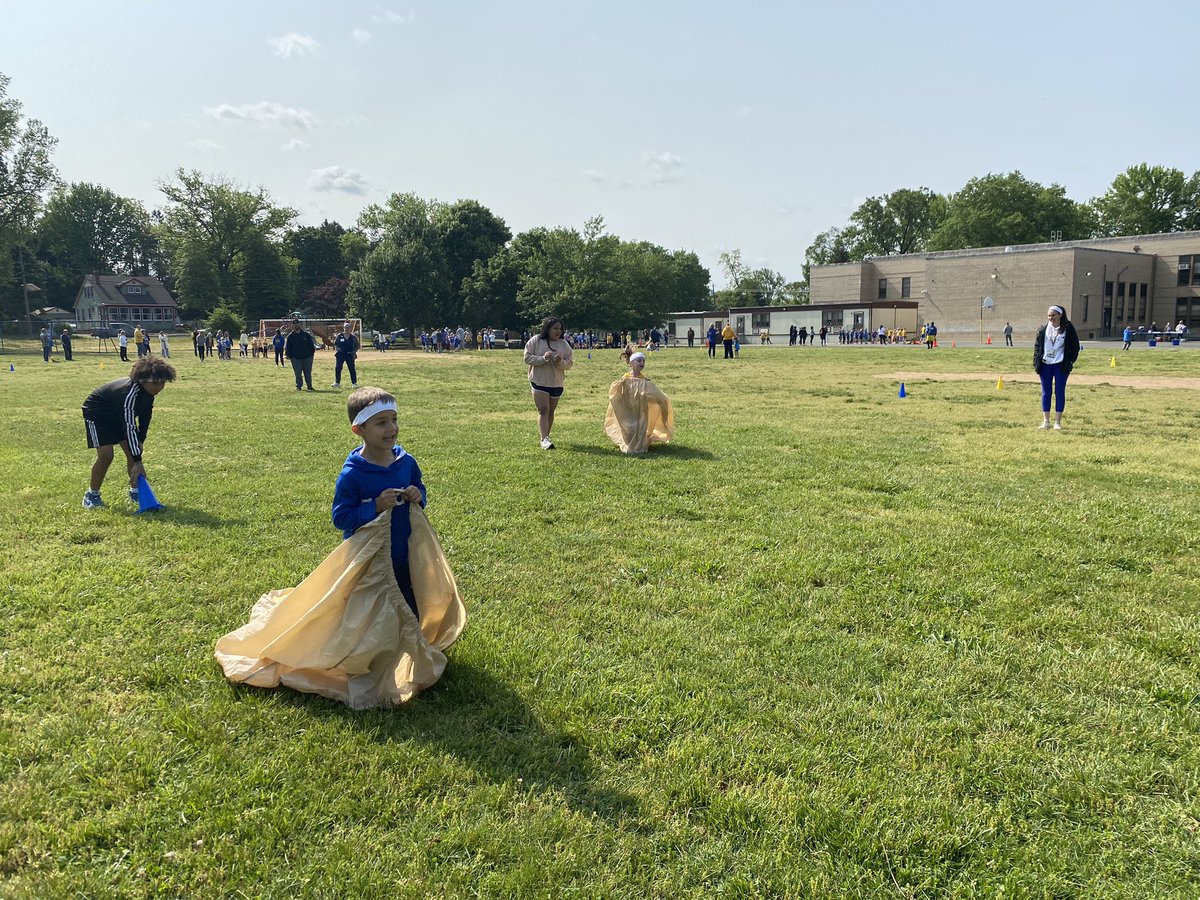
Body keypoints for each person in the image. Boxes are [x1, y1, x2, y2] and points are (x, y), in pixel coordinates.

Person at [214, 385, 466, 708]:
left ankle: (408, 657)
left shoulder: (405, 462)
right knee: (370, 617)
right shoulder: (352, 474)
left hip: (403, 555)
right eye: (381, 423)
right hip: (369, 563)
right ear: (358, 429)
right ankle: (370, 664)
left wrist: (418, 495)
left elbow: (421, 489)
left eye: (394, 420)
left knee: (407, 606)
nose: (391, 429)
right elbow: (341, 517)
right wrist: (373, 506)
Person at [81, 356, 177, 509]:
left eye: (163, 382)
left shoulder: (148, 393)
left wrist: (140, 440)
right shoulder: (129, 394)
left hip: (117, 414)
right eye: (155, 383)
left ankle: (136, 492)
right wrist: (138, 462)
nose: (159, 387)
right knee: (106, 455)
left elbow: (145, 417)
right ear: (142, 379)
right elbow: (129, 424)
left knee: (134, 450)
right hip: (98, 414)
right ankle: (91, 495)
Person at [604, 347, 675, 454]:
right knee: (630, 427)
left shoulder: (644, 380)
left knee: (641, 427)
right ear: (632, 363)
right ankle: (629, 444)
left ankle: (640, 446)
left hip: (641, 409)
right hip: (629, 408)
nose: (642, 363)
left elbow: (653, 393)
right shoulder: (626, 378)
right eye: (639, 360)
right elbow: (618, 390)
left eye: (643, 361)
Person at [524, 316, 574, 450]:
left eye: (560, 329)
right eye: (555, 328)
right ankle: (544, 439)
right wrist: (543, 358)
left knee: (551, 411)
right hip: (539, 381)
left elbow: (569, 364)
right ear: (548, 329)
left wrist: (560, 362)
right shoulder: (536, 341)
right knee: (543, 410)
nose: (558, 331)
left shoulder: (564, 345)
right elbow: (527, 358)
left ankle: (547, 435)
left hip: (556, 383)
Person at [1033, 305, 1080, 430]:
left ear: (1060, 315)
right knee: (1046, 392)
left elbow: (1075, 346)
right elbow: (1037, 347)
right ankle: (1046, 421)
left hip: (1060, 365)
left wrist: (1070, 361)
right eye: (1049, 315)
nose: (1051, 318)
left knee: (1059, 392)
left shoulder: (1068, 329)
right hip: (1045, 365)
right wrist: (1036, 363)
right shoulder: (1043, 330)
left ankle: (1057, 422)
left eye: (1053, 315)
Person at [285, 317, 317, 391]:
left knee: (308, 373)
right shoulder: (290, 336)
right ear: (292, 325)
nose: (296, 325)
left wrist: (311, 355)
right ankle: (298, 387)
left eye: (297, 323)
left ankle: (309, 386)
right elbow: (288, 348)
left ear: (299, 324)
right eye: (294, 324)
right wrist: (290, 357)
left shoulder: (306, 335)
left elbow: (311, 346)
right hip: (296, 358)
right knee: (298, 373)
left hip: (307, 357)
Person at [332, 321, 359, 388]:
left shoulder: (353, 337)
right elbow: (335, 344)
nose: (346, 329)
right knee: (338, 368)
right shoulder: (339, 336)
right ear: (343, 328)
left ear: (350, 328)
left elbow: (357, 346)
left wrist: (353, 352)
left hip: (350, 355)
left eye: (348, 327)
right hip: (340, 355)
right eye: (345, 327)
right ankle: (337, 383)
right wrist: (338, 349)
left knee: (352, 369)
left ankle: (354, 383)